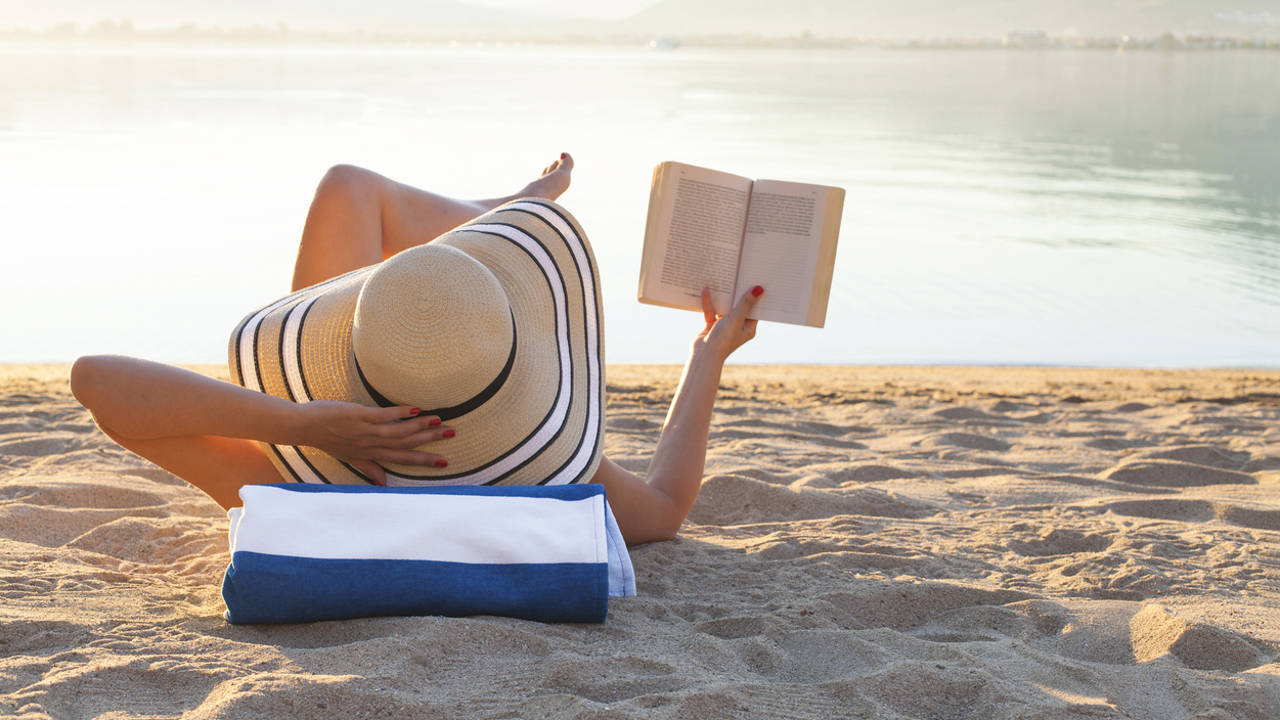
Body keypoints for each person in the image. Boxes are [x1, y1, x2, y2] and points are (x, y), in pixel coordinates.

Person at [70, 154, 763, 546]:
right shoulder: (544, 467)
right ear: (518, 371)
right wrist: (707, 354)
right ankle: (498, 225)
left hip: (341, 414)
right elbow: (669, 506)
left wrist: (306, 423)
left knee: (349, 187)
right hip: (418, 400)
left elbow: (97, 383)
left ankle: (500, 220)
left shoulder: (298, 483)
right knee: (360, 200)